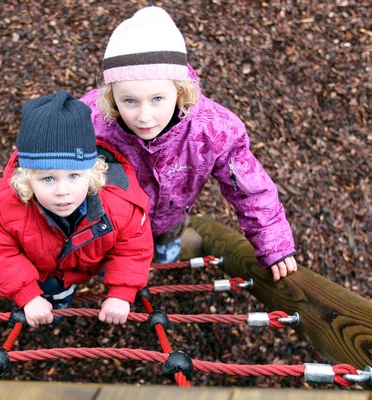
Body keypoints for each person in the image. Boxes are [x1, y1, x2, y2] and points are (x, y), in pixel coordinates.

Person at [80, 6, 297, 282]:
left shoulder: (212, 128)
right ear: (111, 96)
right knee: (113, 258)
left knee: (169, 239)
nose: (144, 117)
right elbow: (45, 156)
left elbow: (248, 187)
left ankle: (167, 255)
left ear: (180, 90)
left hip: (171, 215)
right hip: (115, 222)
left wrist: (272, 241)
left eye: (157, 99)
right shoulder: (91, 119)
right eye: (130, 101)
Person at [0, 90, 153, 327]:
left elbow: (133, 247)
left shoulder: (120, 205)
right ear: (27, 179)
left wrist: (121, 291)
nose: (62, 190)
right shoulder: (6, 208)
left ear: (92, 174)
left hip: (92, 262)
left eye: (74, 176)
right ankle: (56, 304)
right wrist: (27, 295)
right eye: (48, 179)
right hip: (43, 272)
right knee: (51, 291)